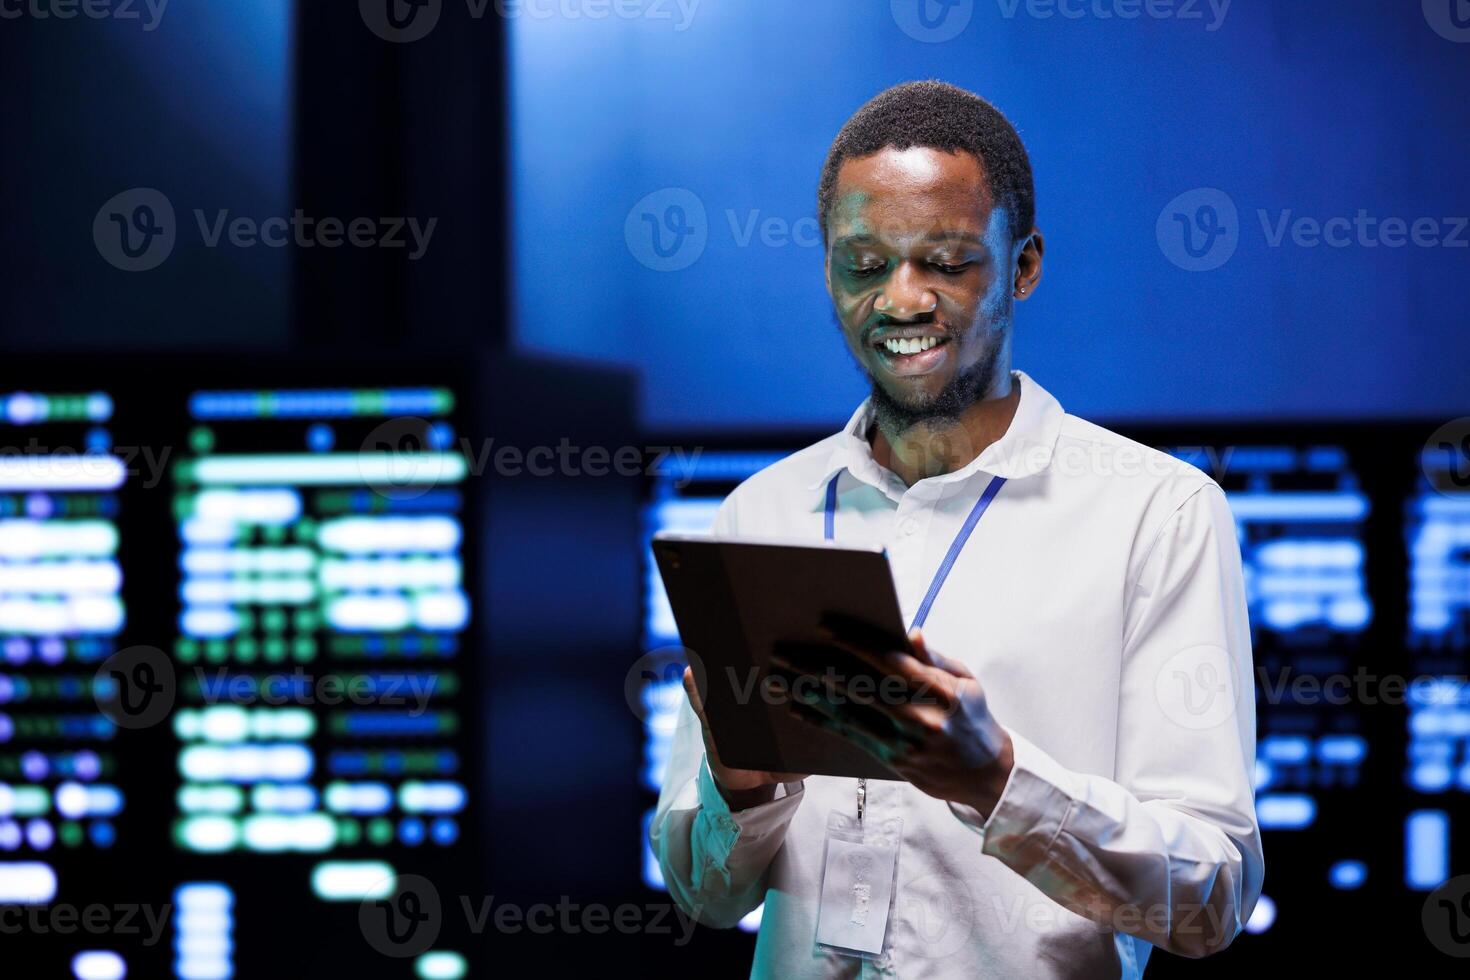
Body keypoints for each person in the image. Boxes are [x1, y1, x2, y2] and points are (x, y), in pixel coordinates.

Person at [649, 79, 1263, 978]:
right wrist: (738, 787)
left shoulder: (1155, 512)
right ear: (828, 268)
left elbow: (1213, 896)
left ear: (1023, 265)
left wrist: (999, 780)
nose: (901, 300)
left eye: (945, 261)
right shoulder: (763, 512)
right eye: (864, 263)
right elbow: (704, 896)